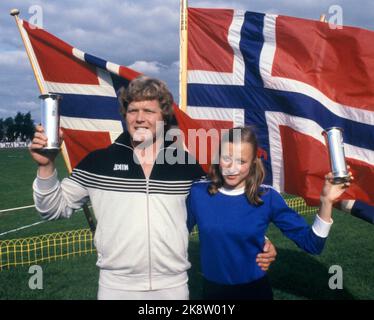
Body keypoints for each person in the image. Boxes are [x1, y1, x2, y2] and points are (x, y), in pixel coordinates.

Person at [30, 76, 277, 300]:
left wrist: (261, 240)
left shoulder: (186, 166)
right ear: (124, 115)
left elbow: (220, 207)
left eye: (149, 110)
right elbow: (51, 209)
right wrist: (46, 166)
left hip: (173, 286)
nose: (139, 118)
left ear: (163, 117)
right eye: (132, 110)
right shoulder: (98, 162)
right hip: (116, 287)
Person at [187, 126, 353, 300]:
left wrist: (326, 201)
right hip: (213, 293)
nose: (232, 168)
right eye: (226, 158)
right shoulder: (199, 193)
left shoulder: (267, 197)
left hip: (255, 292)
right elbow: (178, 236)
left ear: (252, 163)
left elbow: (313, 245)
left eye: (241, 161)